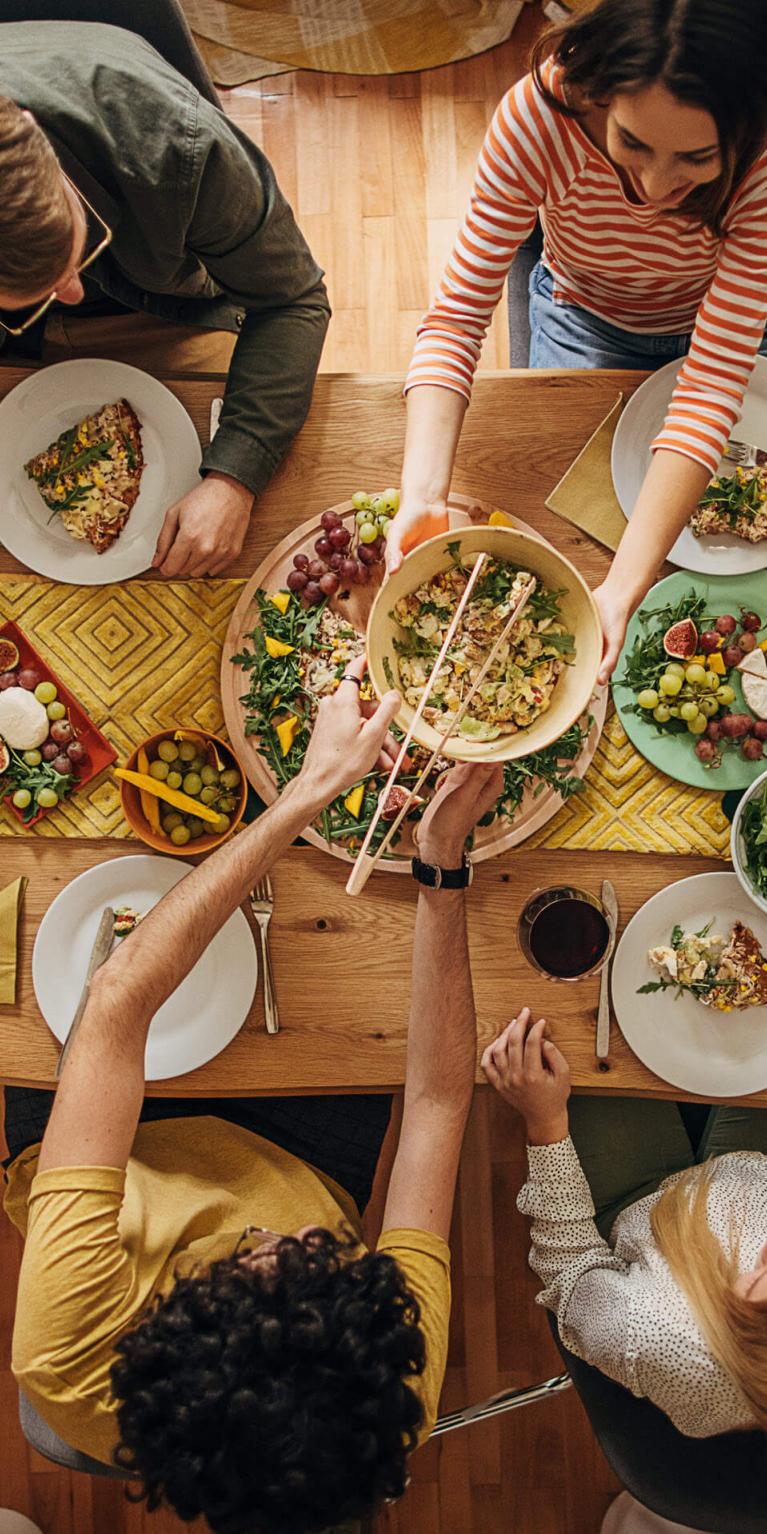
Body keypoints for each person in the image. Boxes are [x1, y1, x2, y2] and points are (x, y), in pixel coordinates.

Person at [3, 653, 502, 1534]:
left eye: (257, 1258)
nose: (290, 1230)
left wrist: (304, 795)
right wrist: (440, 862)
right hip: (305, 1151)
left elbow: (119, 1000)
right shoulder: (385, 1373)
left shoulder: (69, 1353)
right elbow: (434, 1103)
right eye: (327, 1257)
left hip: (93, 1166)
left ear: (172, 1325)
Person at [388, 0, 767, 681]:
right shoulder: (536, 117)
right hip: (582, 314)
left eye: (695, 158)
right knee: (557, 506)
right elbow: (455, 318)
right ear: (597, 92)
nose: (653, 189)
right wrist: (420, 496)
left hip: (716, 322)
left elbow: (710, 384)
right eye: (633, 143)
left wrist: (622, 592)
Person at [0, 20, 331, 578]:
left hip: (163, 301)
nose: (73, 293)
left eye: (77, 249)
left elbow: (293, 301)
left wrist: (233, 479)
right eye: (37, 294)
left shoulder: (179, 148)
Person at [482, 1008, 767, 1437]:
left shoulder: (654, 1334)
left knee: (572, 1022)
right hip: (748, 1166)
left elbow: (570, 1269)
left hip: (636, 1199)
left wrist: (545, 1119)